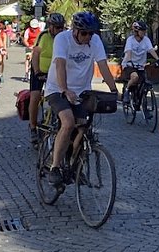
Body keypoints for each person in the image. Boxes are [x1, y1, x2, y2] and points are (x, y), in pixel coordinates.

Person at [43, 11, 119, 185]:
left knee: (83, 125)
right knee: (68, 122)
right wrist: (64, 89)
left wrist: (114, 90)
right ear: (75, 31)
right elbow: (60, 64)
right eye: (84, 33)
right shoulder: (62, 39)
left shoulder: (95, 41)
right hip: (57, 88)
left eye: (91, 33)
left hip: (82, 91)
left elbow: (103, 66)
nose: (88, 37)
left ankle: (73, 165)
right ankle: (54, 166)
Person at [29, 12, 65, 145]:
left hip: (55, 72)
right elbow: (36, 53)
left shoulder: (64, 37)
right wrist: (37, 71)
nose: (59, 30)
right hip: (40, 70)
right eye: (57, 27)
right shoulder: (44, 36)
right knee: (35, 96)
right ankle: (32, 126)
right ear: (50, 27)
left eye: (61, 27)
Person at [120, 19, 159, 106]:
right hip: (130, 64)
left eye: (144, 31)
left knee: (145, 83)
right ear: (136, 31)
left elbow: (151, 50)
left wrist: (158, 59)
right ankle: (127, 92)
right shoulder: (130, 40)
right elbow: (128, 52)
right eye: (142, 31)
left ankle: (142, 104)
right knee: (135, 77)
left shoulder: (146, 40)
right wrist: (128, 61)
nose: (144, 32)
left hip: (141, 65)